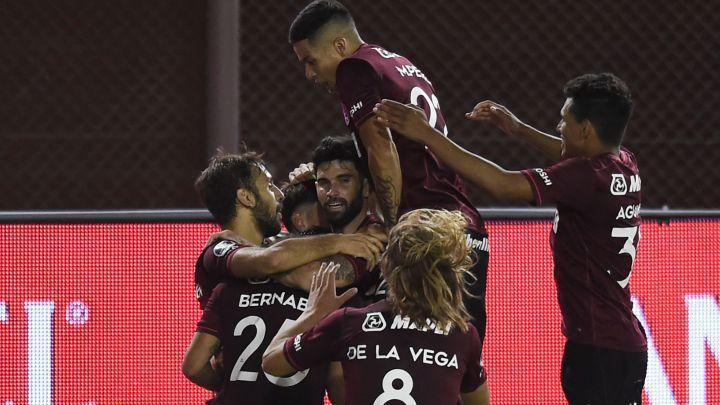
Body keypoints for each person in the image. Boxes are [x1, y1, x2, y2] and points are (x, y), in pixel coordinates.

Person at [373, 72, 648, 404]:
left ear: (587, 129)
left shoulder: (585, 177)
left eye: (564, 120)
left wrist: (426, 135)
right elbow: (569, 155)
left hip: (597, 348)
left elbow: (502, 183)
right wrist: (517, 129)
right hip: (623, 342)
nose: (559, 127)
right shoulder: (623, 163)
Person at [288, 0, 491, 368]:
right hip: (461, 229)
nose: (308, 74)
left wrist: (396, 228)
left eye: (310, 60)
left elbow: (382, 150)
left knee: (418, 365)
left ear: (338, 46)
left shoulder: (354, 69)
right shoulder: (396, 63)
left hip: (429, 235)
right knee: (454, 367)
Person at [262, 209, 490, 405]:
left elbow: (272, 362)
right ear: (452, 276)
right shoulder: (462, 336)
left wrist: (313, 314)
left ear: (387, 266)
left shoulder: (349, 323)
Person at [192, 151, 385, 309]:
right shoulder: (219, 251)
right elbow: (274, 261)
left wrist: (319, 181)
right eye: (269, 186)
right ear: (247, 198)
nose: (279, 194)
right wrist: (340, 241)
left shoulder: (278, 246)